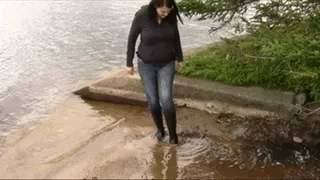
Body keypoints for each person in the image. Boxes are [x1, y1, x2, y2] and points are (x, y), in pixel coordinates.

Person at [125, 0, 184, 144]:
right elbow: (132, 39)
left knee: (166, 100)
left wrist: (180, 58)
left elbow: (176, 37)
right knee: (153, 102)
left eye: (168, 10)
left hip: (167, 63)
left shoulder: (170, 15)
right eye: (163, 11)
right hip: (146, 65)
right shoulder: (142, 15)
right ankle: (160, 130)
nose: (166, 14)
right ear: (155, 6)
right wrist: (129, 62)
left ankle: (173, 136)